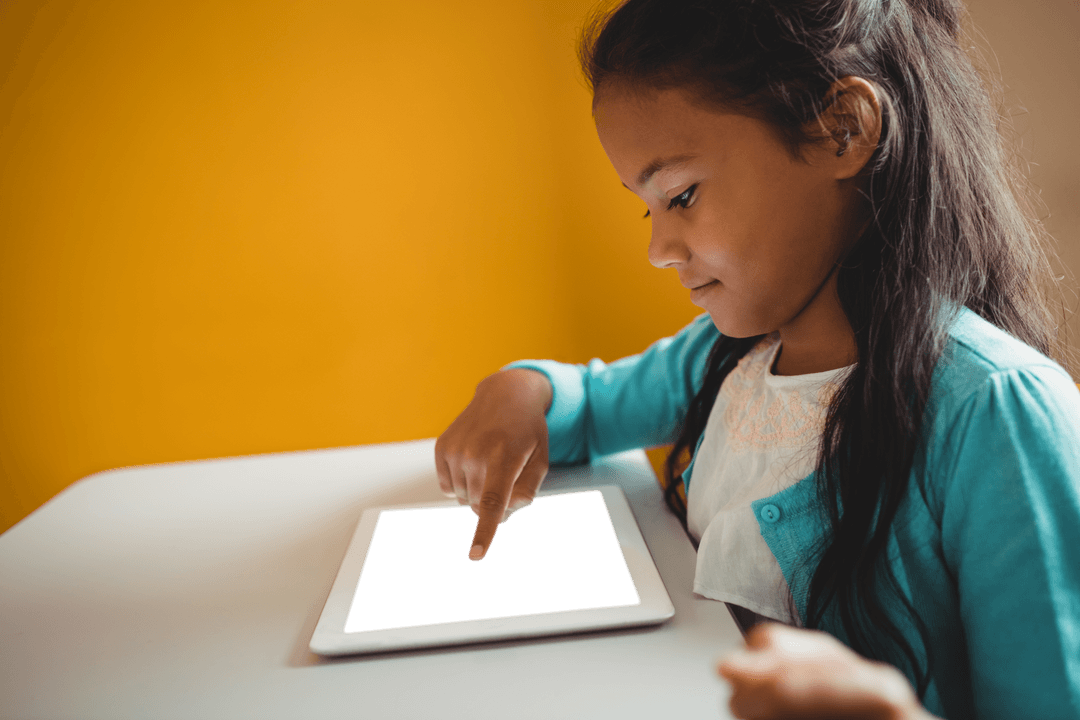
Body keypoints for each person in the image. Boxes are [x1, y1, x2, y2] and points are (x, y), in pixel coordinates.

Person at [434, 0, 1080, 718]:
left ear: (843, 131)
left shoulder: (997, 412)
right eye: (648, 208)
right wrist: (521, 389)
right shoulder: (728, 356)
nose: (658, 250)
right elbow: (590, 404)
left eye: (682, 195)